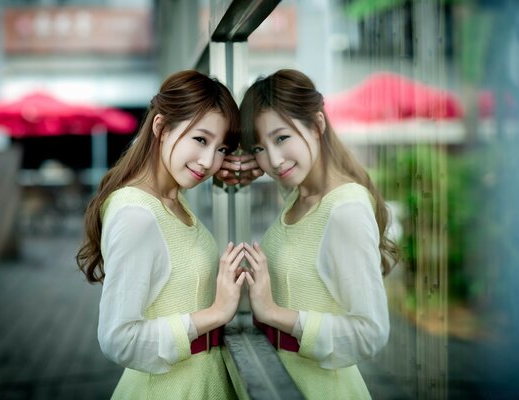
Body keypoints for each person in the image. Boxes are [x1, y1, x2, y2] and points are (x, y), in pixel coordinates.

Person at [76, 70, 246, 399]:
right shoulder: (137, 214)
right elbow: (119, 339)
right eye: (200, 139)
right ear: (161, 128)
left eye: (222, 148)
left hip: (199, 383)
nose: (209, 161)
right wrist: (215, 314)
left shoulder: (171, 200)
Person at [238, 69, 398, 399]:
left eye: (282, 138)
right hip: (281, 379)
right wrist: (239, 165)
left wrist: (272, 313)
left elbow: (370, 333)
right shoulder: (300, 193)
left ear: (317, 125)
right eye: (259, 148)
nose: (274, 160)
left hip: (322, 389)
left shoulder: (345, 209)